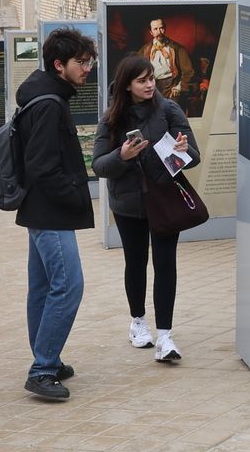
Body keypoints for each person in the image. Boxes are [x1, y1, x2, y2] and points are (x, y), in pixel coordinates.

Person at [92, 55, 199, 365]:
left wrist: (183, 151)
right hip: (127, 203)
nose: (150, 84)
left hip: (164, 199)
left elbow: (194, 154)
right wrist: (122, 156)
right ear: (127, 85)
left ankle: (165, 335)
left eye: (152, 77)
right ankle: (137, 321)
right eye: (142, 80)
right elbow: (98, 165)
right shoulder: (111, 118)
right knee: (136, 262)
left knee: (166, 263)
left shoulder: (169, 110)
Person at [14, 28, 97, 400]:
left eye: (89, 61)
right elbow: (42, 166)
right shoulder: (49, 103)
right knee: (68, 286)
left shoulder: (44, 93)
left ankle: (47, 356)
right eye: (81, 62)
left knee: (44, 287)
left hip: (40, 209)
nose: (88, 69)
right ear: (58, 64)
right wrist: (76, 198)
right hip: (51, 212)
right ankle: (43, 368)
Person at [137, 18, 195, 110]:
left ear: (165, 29)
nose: (159, 31)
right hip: (153, 86)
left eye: (161, 28)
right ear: (151, 32)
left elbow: (188, 72)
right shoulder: (144, 50)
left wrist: (179, 87)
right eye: (155, 29)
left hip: (171, 86)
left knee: (173, 111)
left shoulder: (177, 48)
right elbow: (136, 70)